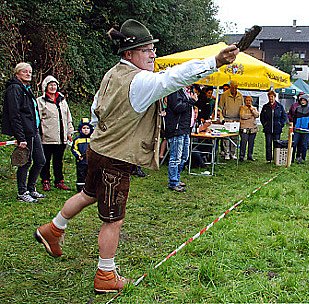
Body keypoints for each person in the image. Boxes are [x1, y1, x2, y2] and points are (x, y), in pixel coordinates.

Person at [34, 19, 238, 293]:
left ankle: (53, 229)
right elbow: (174, 78)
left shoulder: (112, 73)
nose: (152, 53)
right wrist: (214, 61)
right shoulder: (140, 80)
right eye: (145, 50)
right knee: (113, 219)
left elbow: (96, 108)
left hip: (97, 149)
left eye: (152, 48)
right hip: (115, 158)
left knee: (88, 195)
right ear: (128, 54)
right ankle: (105, 275)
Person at [2, 62, 46, 203]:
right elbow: (14, 114)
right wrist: (20, 137)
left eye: (30, 71)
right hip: (25, 132)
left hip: (34, 130)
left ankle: (31, 188)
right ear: (17, 73)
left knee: (40, 160)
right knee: (25, 161)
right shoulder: (14, 89)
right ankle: (22, 192)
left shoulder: (26, 88)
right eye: (25, 71)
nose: (29, 74)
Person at [37, 75, 74, 191]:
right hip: (47, 136)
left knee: (58, 161)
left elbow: (68, 117)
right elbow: (38, 118)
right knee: (45, 161)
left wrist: (69, 132)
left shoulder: (62, 100)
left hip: (61, 137)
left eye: (54, 85)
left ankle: (59, 181)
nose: (53, 87)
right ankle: (45, 180)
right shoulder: (41, 101)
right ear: (45, 87)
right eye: (50, 85)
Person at [165, 85, 199, 192]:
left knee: (184, 156)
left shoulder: (184, 92)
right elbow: (177, 107)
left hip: (184, 129)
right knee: (175, 157)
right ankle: (173, 182)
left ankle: (177, 178)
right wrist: (191, 101)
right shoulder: (174, 91)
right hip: (176, 129)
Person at [260, 90, 287, 163]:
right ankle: (269, 159)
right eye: (269, 97)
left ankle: (276, 158)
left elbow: (284, 117)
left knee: (277, 144)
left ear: (275, 97)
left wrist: (281, 124)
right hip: (268, 129)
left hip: (277, 129)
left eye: (272, 96)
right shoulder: (265, 107)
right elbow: (262, 117)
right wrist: (265, 124)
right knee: (268, 144)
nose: (270, 98)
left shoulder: (280, 107)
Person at [219, 81, 243, 159]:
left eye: (236, 88)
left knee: (235, 137)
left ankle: (233, 153)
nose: (234, 89)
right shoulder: (224, 95)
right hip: (227, 118)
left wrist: (241, 118)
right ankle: (226, 153)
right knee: (226, 137)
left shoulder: (240, 96)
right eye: (233, 87)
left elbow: (242, 107)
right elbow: (220, 108)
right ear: (230, 87)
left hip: (236, 119)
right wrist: (222, 118)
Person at [71, 118, 94, 192]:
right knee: (81, 175)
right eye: (84, 128)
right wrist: (78, 156)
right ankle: (80, 189)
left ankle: (90, 188)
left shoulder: (93, 139)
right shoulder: (77, 139)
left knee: (91, 174)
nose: (86, 130)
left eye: (88, 128)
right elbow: (74, 149)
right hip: (81, 161)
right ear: (80, 129)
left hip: (91, 161)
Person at [292, 94, 309, 164]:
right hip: (297, 129)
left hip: (305, 130)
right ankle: (293, 157)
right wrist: (295, 125)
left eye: (304, 100)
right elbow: (294, 118)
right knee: (294, 143)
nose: (303, 101)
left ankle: (303, 157)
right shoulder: (297, 108)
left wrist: (308, 125)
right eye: (302, 100)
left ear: (307, 101)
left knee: (304, 145)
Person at [238, 95, 259, 161]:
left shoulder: (254, 108)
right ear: (245, 101)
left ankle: (250, 155)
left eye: (249, 100)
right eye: (247, 100)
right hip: (244, 127)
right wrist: (251, 115)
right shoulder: (242, 108)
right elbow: (243, 116)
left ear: (252, 101)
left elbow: (257, 115)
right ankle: (242, 156)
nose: (248, 102)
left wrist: (252, 110)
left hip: (253, 128)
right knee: (243, 142)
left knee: (251, 142)